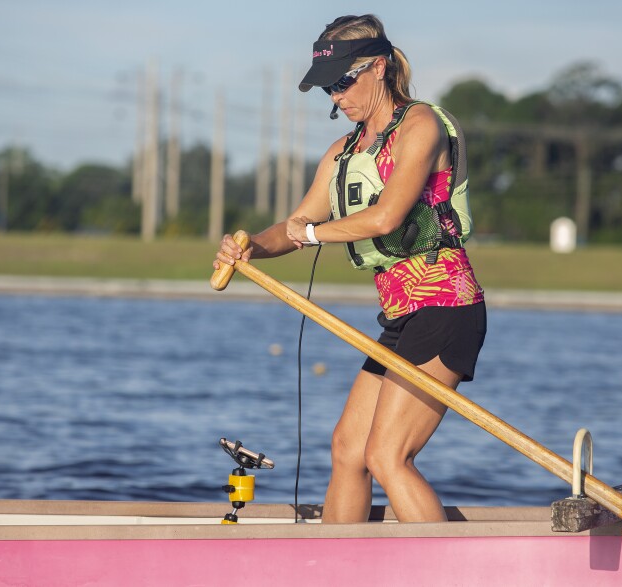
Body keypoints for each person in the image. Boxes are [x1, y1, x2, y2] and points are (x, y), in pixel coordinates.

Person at [213, 14, 486, 523]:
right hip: (403, 317)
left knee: (387, 456)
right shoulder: (342, 153)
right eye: (327, 88)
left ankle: (445, 571)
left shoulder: (422, 124)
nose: (335, 97)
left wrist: (311, 234)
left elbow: (387, 216)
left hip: (447, 305)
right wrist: (249, 246)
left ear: (378, 67)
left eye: (342, 82)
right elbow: (294, 224)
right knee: (347, 450)